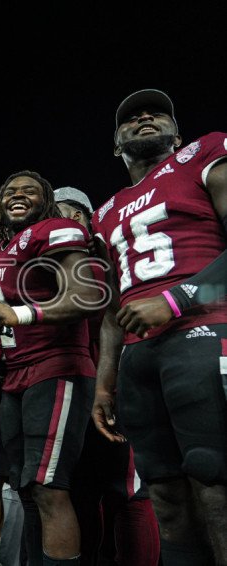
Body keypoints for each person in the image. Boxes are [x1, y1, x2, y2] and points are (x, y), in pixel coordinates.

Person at [90, 89, 227, 564]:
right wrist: (104, 383)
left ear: (178, 135)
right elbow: (112, 307)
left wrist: (176, 299)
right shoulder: (105, 212)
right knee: (165, 498)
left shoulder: (202, 156)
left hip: (205, 336)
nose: (145, 117)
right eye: (131, 117)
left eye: (156, 113)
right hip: (139, 358)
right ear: (116, 144)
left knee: (215, 485)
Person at [0, 171, 102, 566]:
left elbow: (86, 294)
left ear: (46, 200)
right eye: (9, 191)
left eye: (29, 190)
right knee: (26, 489)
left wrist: (21, 314)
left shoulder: (54, 229)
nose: (18, 195)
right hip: (16, 373)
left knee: (49, 487)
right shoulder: (3, 249)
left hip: (55, 367)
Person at [54, 186, 160, 566]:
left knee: (127, 490)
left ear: (82, 219)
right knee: (81, 491)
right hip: (70, 391)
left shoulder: (112, 259)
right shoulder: (45, 269)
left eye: (63, 214)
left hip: (113, 387)